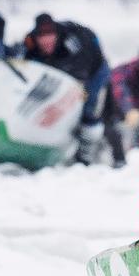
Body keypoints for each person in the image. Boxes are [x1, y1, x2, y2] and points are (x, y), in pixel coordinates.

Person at [20, 12, 121, 165]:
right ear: (35, 37)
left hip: (94, 72)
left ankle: (90, 157)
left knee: (91, 110)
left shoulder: (74, 43)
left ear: (57, 34)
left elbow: (80, 78)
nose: (46, 40)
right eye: (42, 36)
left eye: (50, 35)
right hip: (62, 72)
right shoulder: (29, 44)